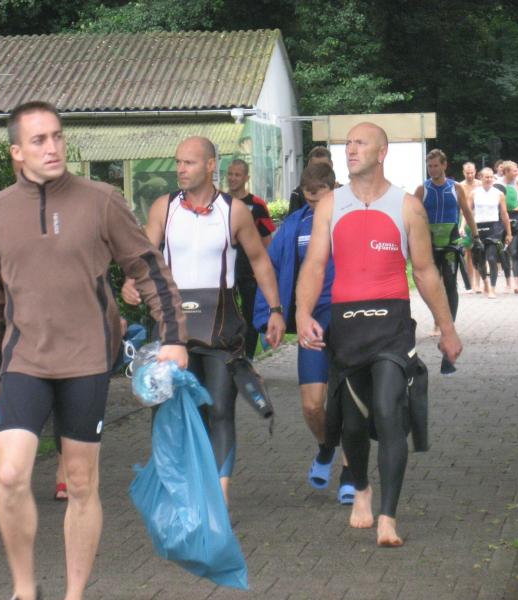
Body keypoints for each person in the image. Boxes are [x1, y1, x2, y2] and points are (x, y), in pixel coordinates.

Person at [0, 101, 189, 600]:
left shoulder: (101, 200)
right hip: (24, 361)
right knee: (11, 476)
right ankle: (25, 589)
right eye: (39, 140)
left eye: (58, 136)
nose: (52, 147)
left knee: (82, 484)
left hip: (86, 361)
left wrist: (174, 336)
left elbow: (146, 267)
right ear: (17, 152)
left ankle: (74, 594)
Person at [295, 122, 463, 547]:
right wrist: (302, 312)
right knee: (352, 424)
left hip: (392, 325)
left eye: (360, 143)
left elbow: (425, 272)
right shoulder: (330, 204)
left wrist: (446, 328)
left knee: (389, 410)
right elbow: (315, 265)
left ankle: (388, 516)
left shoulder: (407, 207)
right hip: (347, 325)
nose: (350, 150)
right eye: (348, 143)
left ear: (381, 152)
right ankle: (362, 488)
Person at [122, 136, 286, 505]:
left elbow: (259, 260)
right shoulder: (164, 207)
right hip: (172, 323)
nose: (180, 169)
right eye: (178, 162)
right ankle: (182, 489)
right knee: (172, 411)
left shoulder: (234, 211)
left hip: (221, 323)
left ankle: (219, 495)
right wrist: (132, 281)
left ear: (211, 165)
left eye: (189, 162)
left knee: (220, 408)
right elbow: (144, 255)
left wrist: (275, 310)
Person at [253, 162, 355, 504]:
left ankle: (350, 474)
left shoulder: (352, 218)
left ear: (334, 189)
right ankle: (326, 447)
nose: (314, 205)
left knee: (350, 402)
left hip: (350, 318)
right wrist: (270, 315)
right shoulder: (295, 225)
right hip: (312, 320)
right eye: (308, 199)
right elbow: (270, 268)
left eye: (319, 197)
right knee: (312, 406)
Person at [413, 150, 477, 357]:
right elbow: (412, 215)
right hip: (429, 244)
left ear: (444, 165)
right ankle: (437, 321)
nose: (432, 170)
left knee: (450, 283)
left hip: (451, 243)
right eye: (429, 166)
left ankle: (449, 326)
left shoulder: (455, 188)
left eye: (435, 166)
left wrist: (475, 235)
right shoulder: (422, 189)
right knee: (433, 285)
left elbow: (466, 212)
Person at [226, 159, 275, 358]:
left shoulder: (257, 205)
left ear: (246, 178)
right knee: (226, 312)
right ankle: (227, 354)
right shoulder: (219, 201)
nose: (232, 178)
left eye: (237, 175)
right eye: (230, 174)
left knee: (250, 313)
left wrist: (266, 270)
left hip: (249, 269)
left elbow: (266, 241)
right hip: (225, 267)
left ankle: (248, 357)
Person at [472, 167, 512, 298]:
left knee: (492, 258)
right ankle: (485, 283)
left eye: (491, 177)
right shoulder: (474, 193)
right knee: (480, 260)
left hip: (494, 228)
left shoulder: (499, 194)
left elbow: (504, 214)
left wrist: (509, 233)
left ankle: (492, 288)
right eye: (486, 177)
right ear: (480, 177)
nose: (489, 179)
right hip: (479, 227)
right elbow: (467, 213)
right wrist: (462, 227)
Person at [494, 161, 518, 293]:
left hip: (515, 218)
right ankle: (508, 282)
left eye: (517, 170)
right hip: (501, 219)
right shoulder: (497, 184)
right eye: (514, 171)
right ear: (506, 172)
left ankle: (517, 283)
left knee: (515, 251)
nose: (516, 173)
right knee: (503, 251)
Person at [288, 146, 336, 215]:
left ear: (331, 164)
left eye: (324, 166)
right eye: (316, 167)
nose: (320, 171)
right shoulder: (298, 194)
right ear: (309, 165)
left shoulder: (344, 191)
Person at [459, 161, 480, 292]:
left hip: (479, 219)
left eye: (472, 172)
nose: (470, 175)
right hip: (464, 219)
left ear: (475, 171)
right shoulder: (460, 186)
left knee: (478, 251)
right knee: (468, 252)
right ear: (463, 173)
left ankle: (478, 283)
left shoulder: (480, 184)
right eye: (467, 173)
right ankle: (471, 282)